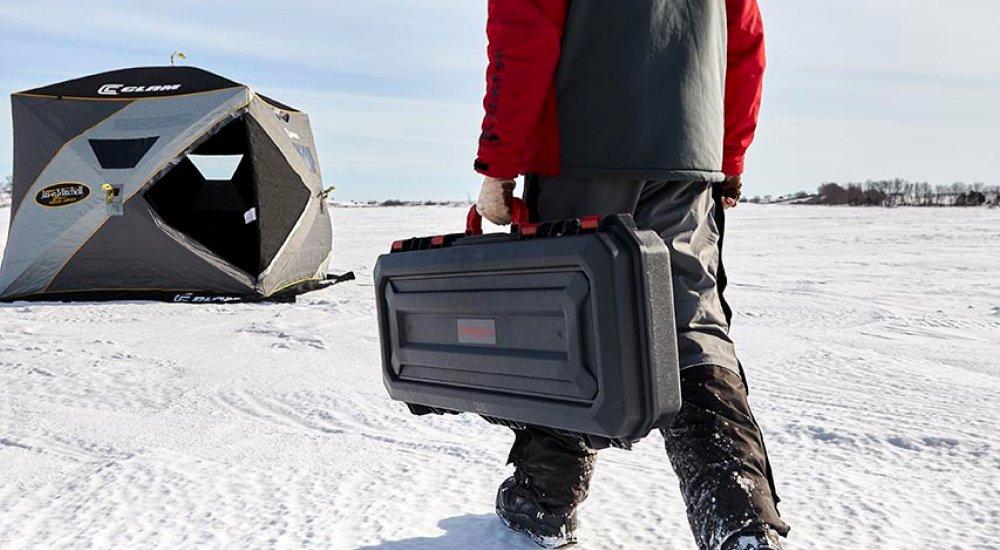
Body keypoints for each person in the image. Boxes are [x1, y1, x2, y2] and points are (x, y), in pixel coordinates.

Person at [472, 1, 789, 549]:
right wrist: (728, 157)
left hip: (580, 151)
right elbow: (745, 46)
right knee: (688, 329)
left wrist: (499, 164)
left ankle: (544, 500)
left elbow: (522, 33)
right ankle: (741, 522)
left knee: (569, 322)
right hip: (689, 156)